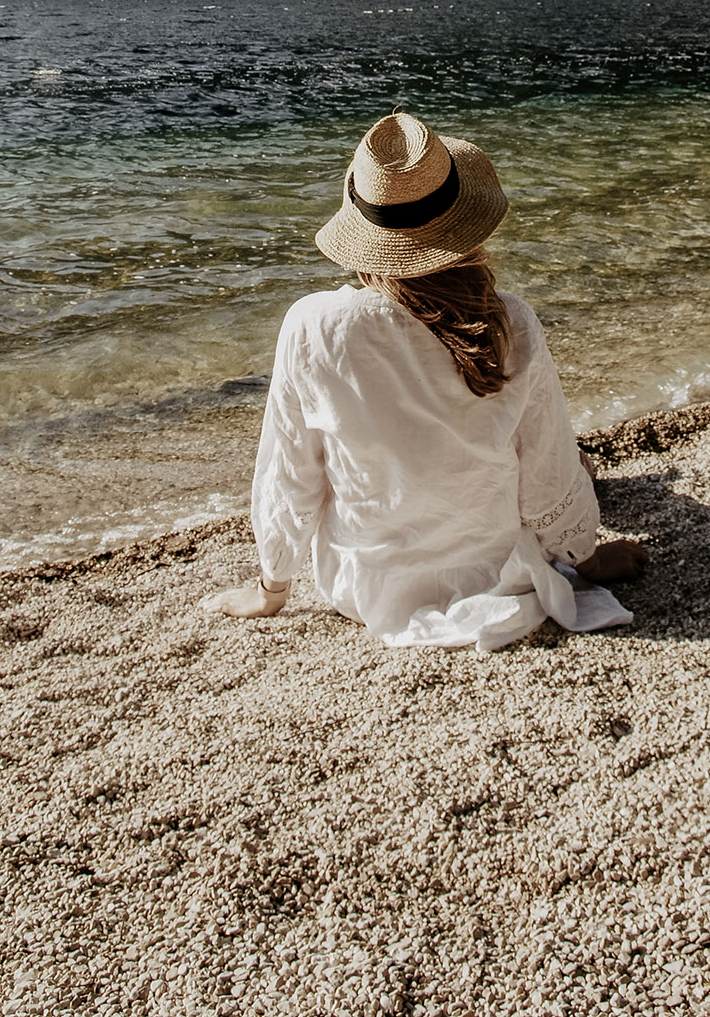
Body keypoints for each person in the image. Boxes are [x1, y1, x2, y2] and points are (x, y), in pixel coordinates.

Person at [208, 111, 647, 652]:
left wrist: (271, 587)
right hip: (494, 572)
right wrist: (589, 559)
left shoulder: (314, 326)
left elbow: (292, 473)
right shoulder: (508, 324)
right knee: (569, 458)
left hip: (365, 587)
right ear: (467, 226)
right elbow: (545, 476)